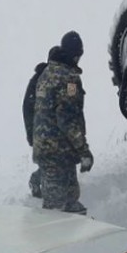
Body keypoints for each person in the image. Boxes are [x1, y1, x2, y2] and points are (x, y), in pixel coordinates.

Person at [33, 31, 93, 214]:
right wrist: (84, 150)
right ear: (76, 55)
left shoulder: (47, 72)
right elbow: (68, 118)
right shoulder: (69, 80)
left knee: (70, 201)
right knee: (55, 211)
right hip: (58, 151)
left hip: (47, 148)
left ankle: (37, 180)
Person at [23, 61, 48, 198]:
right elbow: (28, 107)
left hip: (41, 130)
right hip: (40, 131)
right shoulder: (40, 81)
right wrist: (31, 133)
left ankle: (37, 180)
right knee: (49, 162)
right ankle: (36, 180)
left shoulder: (41, 79)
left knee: (49, 161)